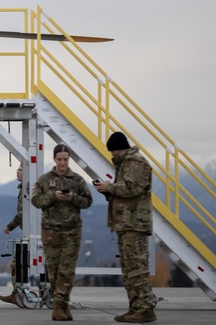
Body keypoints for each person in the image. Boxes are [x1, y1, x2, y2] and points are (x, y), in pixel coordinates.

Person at [95, 132, 157, 323]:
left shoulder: (135, 163)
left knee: (136, 267)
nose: (112, 156)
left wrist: (109, 188)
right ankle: (135, 307)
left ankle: (145, 307)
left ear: (118, 149)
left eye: (112, 152)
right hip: (126, 223)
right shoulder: (126, 164)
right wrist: (109, 191)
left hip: (134, 224)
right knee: (129, 268)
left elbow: (131, 188)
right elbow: (126, 189)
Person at [31, 144, 93, 321]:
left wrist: (72, 197)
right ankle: (61, 304)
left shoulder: (78, 180)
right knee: (54, 269)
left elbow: (88, 201)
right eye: (60, 159)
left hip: (72, 230)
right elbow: (36, 200)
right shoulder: (44, 180)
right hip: (51, 231)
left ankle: (60, 305)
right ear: (54, 159)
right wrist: (53, 196)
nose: (63, 163)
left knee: (67, 269)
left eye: (66, 159)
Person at [0, 165, 24, 305]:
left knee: (17, 264)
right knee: (17, 264)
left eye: (21, 170)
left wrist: (10, 226)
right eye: (17, 170)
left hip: (33, 234)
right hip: (30, 232)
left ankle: (18, 293)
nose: (17, 172)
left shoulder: (27, 190)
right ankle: (18, 293)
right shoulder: (24, 189)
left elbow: (22, 213)